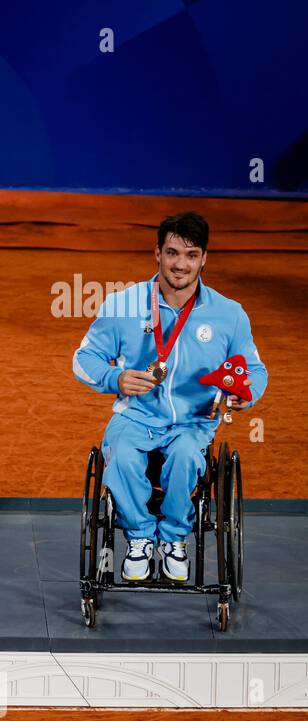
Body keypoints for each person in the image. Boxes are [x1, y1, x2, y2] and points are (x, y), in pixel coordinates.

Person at [73, 211, 267, 582]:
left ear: (204, 258)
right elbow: (83, 360)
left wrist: (246, 393)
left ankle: (173, 540)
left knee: (183, 458)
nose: (180, 264)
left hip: (193, 422)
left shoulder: (229, 314)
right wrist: (115, 377)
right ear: (157, 254)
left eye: (191, 255)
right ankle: (140, 539)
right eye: (173, 253)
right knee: (123, 459)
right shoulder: (125, 304)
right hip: (136, 417)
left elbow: (255, 370)